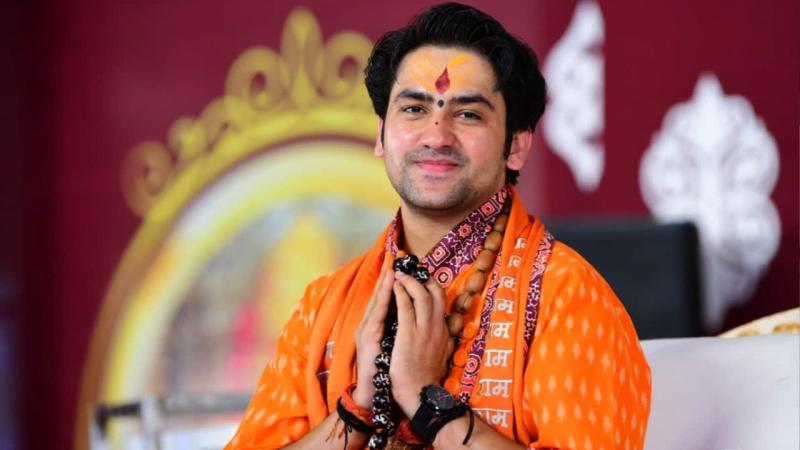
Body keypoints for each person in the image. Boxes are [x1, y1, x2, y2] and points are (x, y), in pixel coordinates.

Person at [225, 3, 650, 449]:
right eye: (413, 108)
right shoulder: (323, 308)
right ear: (380, 134)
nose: (436, 135)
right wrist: (360, 405)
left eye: (468, 114)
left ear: (516, 146)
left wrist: (427, 403)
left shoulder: (566, 297)